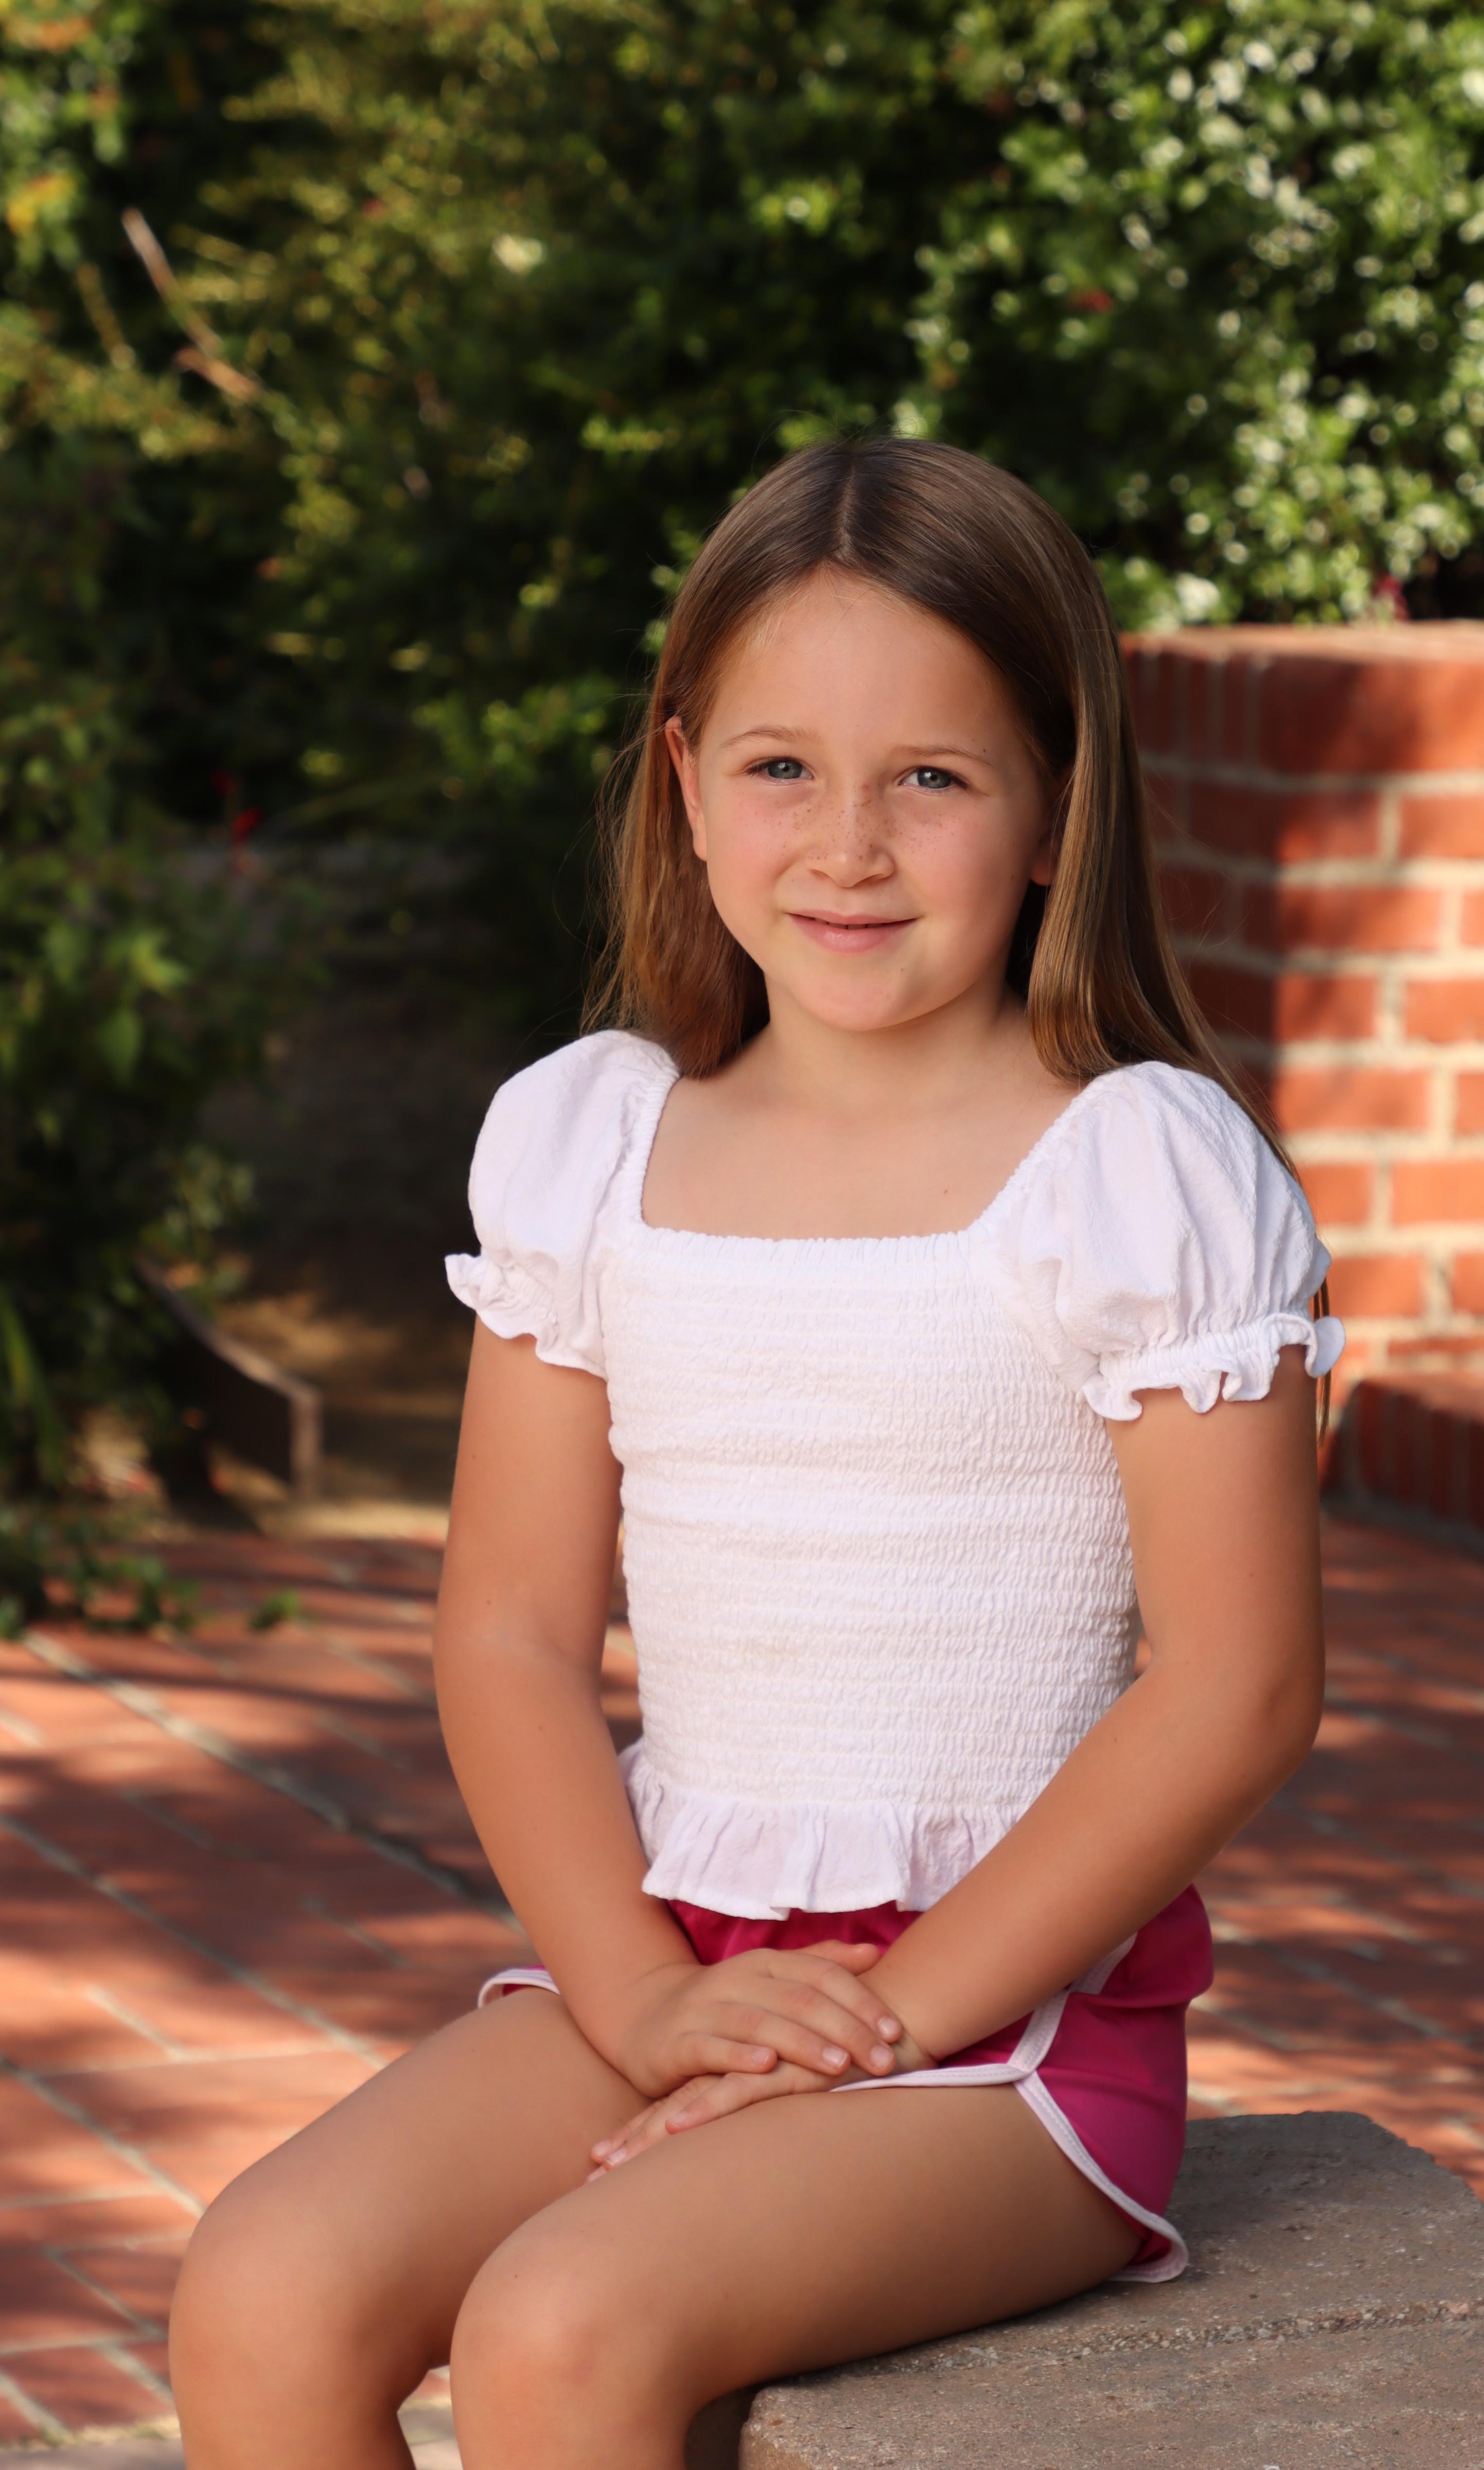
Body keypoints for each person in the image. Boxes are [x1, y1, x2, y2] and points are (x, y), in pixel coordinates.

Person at [170, 437, 1341, 2470]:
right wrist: (635, 1999)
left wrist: (890, 2013)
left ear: (1056, 806)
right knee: (262, 2287)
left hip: (1006, 2033)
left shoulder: (1134, 1172)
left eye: (933, 778)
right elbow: (510, 1636)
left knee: (562, 2325)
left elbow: (1237, 1685)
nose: (849, 847)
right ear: (685, 785)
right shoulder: (595, 1144)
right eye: (782, 767)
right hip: (675, 1958)